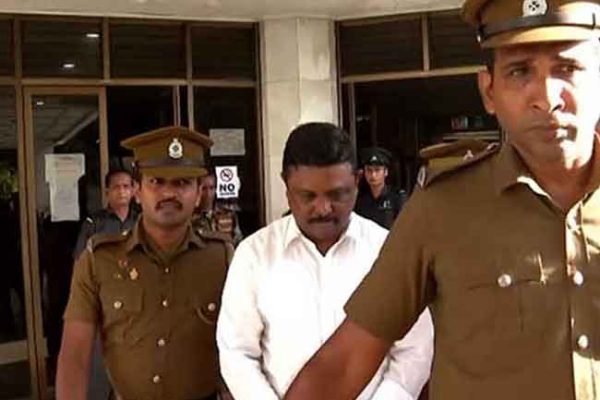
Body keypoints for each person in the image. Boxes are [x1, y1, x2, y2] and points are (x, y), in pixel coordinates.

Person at [285, 1, 600, 399]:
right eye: (519, 71)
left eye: (568, 68)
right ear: (488, 91)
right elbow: (347, 361)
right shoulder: (441, 209)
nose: (547, 97)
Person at [217, 122, 433, 400]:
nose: (322, 209)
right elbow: (237, 353)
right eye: (307, 196)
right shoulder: (254, 255)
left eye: (336, 194)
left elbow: (415, 349)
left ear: (357, 181)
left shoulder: (387, 251)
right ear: (286, 186)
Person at [56, 126, 232, 400]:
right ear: (137, 191)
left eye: (182, 183)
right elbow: (74, 356)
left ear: (199, 193)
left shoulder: (222, 258)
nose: (168, 193)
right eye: (156, 181)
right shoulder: (99, 260)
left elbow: (242, 350)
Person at [73, 169, 139, 268]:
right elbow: (80, 260)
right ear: (107, 192)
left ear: (133, 191)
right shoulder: (93, 223)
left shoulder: (141, 221)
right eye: (116, 187)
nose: (121, 191)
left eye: (126, 186)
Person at [354, 147, 406, 229]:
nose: (373, 175)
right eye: (369, 170)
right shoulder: (360, 200)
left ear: (385, 172)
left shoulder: (397, 198)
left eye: (377, 170)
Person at [192, 171, 243, 245]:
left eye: (211, 188)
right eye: (204, 188)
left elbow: (238, 241)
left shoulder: (228, 214)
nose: (208, 194)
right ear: (198, 190)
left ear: (215, 189)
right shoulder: (189, 217)